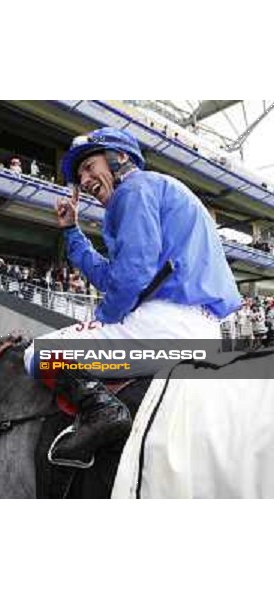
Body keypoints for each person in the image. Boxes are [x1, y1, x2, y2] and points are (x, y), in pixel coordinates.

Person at [22, 126, 242, 466]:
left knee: (38, 352)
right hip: (204, 334)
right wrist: (72, 231)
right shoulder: (160, 192)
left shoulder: (134, 189)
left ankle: (102, 414)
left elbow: (129, 278)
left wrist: (103, 319)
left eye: (89, 166)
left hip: (165, 328)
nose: (84, 179)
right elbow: (116, 277)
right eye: (79, 174)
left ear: (119, 157)